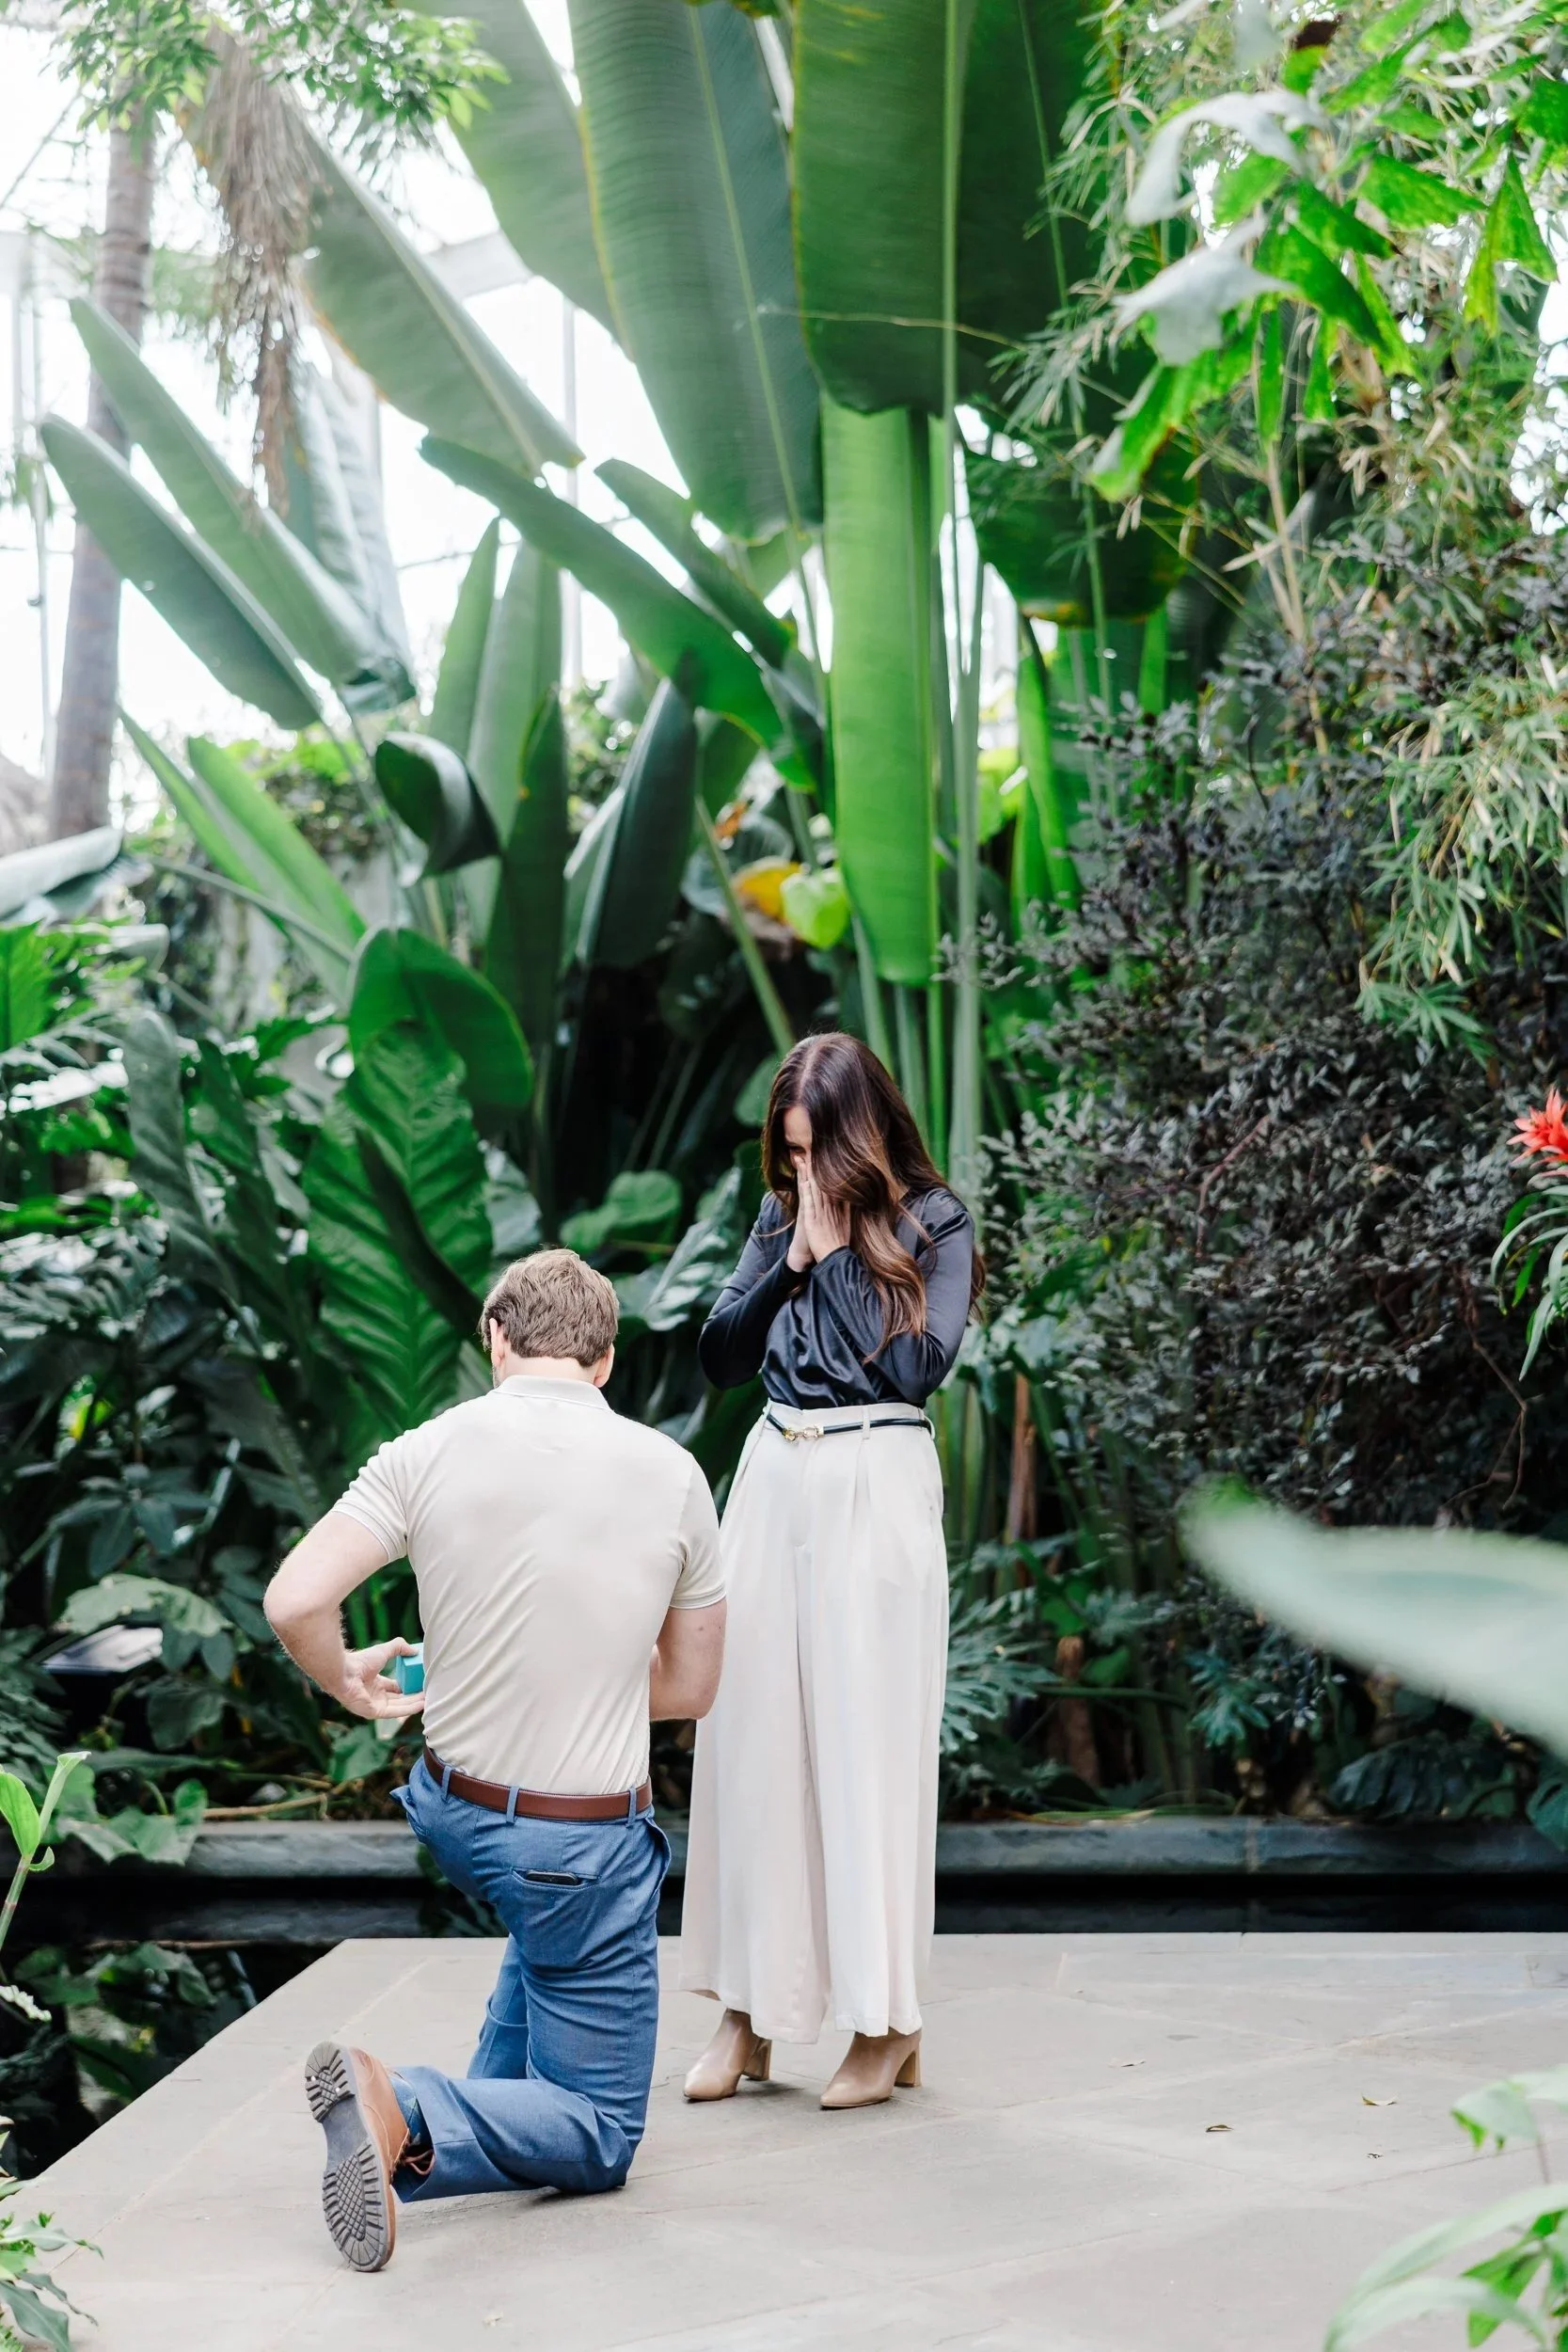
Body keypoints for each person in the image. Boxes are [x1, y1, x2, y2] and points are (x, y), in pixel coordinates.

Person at [262, 1248, 726, 2274]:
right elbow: (692, 1687)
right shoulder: (671, 1473)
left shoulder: (426, 1450)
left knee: (547, 1924)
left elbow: (294, 1600)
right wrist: (590, 1676)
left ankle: (417, 2134)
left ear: (496, 1339)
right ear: (605, 1361)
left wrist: (348, 1680)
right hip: (576, 1842)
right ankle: (404, 2105)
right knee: (600, 2130)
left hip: (455, 1812)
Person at [679, 1031, 980, 2110]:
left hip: (874, 1474)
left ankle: (885, 2022)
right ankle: (746, 2012)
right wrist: (794, 1260)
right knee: (751, 1744)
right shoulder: (780, 1219)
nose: (801, 1172)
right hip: (772, 1474)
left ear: (863, 1135)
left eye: (817, 1152)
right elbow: (720, 1355)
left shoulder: (934, 1223)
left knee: (865, 1752)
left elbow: (911, 1366)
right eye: (790, 1153)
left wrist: (845, 1252)